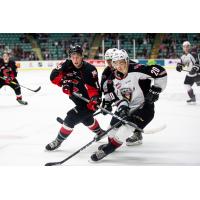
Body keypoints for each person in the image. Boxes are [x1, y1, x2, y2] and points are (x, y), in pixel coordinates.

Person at [90, 49, 167, 161]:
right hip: (128, 106)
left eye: (122, 62)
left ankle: (109, 149)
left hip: (144, 107)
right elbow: (116, 97)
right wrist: (122, 107)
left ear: (127, 61)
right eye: (116, 63)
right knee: (111, 130)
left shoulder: (137, 69)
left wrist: (156, 89)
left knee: (126, 127)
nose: (119, 66)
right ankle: (112, 143)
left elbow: (161, 72)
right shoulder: (111, 79)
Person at [45, 45, 104, 151]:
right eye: (73, 57)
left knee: (70, 118)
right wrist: (64, 83)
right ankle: (100, 132)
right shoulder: (65, 65)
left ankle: (58, 141)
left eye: (77, 56)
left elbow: (94, 89)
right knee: (86, 119)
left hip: (89, 102)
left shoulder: (90, 69)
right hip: (77, 100)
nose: (75, 60)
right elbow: (53, 77)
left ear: (82, 56)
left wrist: (95, 99)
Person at [101, 48, 118, 114]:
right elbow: (104, 87)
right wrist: (107, 101)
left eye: (111, 60)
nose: (109, 63)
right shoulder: (106, 71)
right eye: (108, 61)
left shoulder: (128, 66)